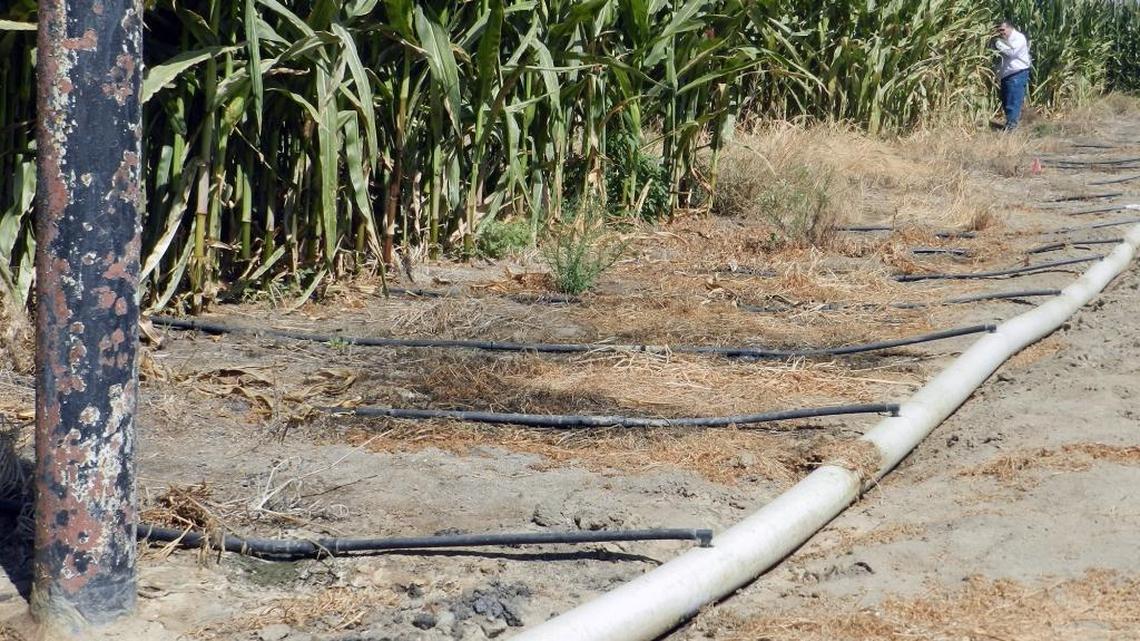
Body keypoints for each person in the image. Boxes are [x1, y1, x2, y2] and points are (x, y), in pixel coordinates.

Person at [994, 20, 1032, 131]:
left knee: (1013, 101)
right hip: (1006, 75)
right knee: (1006, 101)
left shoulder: (1019, 38)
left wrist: (997, 43)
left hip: (1017, 74)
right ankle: (1010, 125)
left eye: (1003, 30)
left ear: (1010, 28)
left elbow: (1011, 52)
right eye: (999, 30)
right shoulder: (1005, 39)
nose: (1001, 32)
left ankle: (1011, 128)